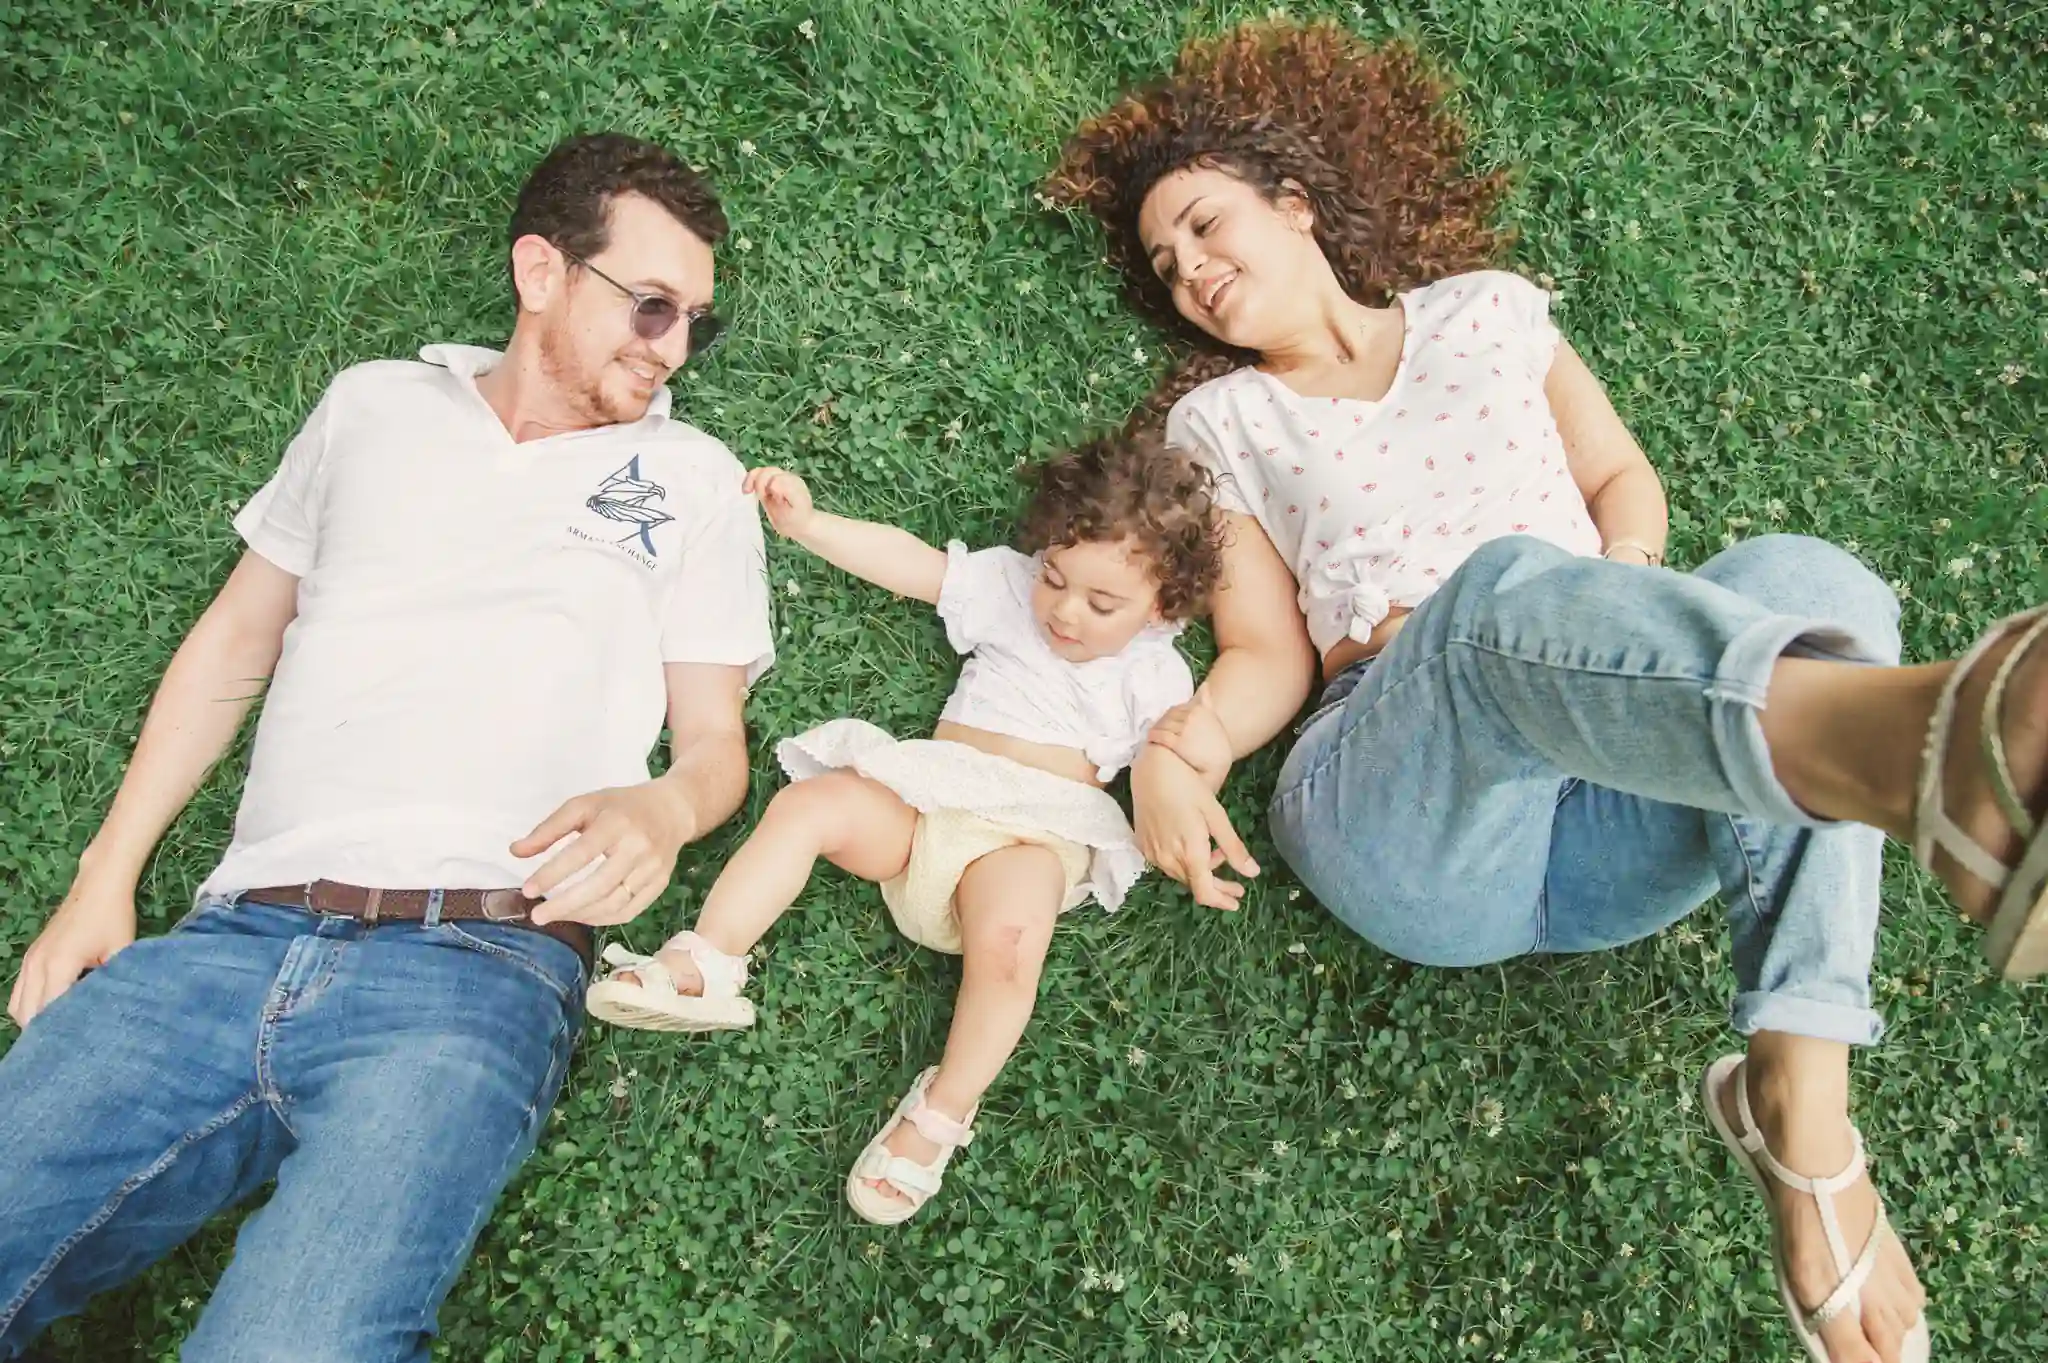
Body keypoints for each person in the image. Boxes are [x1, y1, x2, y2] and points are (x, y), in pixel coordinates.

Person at [1047, 20, 2046, 1363]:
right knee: (1503, 593)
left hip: (1623, 764)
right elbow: (1272, 652)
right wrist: (1183, 744)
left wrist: (1615, 603)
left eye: (1210, 227)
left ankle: (1797, 1096)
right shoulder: (1222, 426)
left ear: (1294, 206)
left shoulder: (1492, 311)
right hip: (1412, 811)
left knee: (1808, 577)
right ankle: (1927, 765)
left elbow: (1626, 486)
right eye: (1170, 267)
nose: (1196, 275)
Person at [0, 132, 774, 1361]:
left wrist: (666, 811)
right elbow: (233, 646)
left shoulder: (692, 477)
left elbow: (715, 746)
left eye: (694, 324)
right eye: (649, 305)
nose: (672, 346)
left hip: (473, 970)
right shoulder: (372, 405)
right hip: (221, 941)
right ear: (540, 271)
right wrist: (105, 878)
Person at [585, 434, 1223, 1224]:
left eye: (1101, 604)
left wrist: (1194, 797)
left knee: (1014, 945)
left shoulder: (1159, 673)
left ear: (1163, 605)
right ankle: (706, 961)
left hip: (1030, 839)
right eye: (1055, 577)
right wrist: (812, 526)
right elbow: (916, 564)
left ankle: (940, 1113)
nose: (1062, 609)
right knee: (808, 806)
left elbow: (1191, 761)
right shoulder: (1005, 586)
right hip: (926, 809)